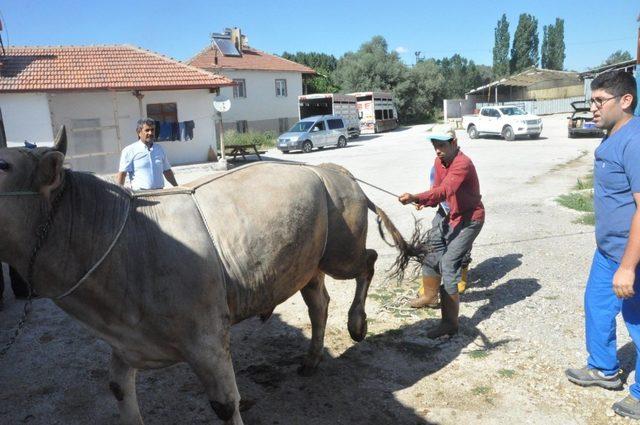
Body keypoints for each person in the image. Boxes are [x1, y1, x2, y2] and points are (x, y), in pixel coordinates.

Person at [565, 70, 640, 420]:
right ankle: (604, 369)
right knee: (596, 305)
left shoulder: (635, 140)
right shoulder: (613, 136)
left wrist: (628, 265)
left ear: (625, 101)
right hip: (609, 251)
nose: (592, 108)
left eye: (599, 101)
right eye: (590, 101)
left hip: (632, 256)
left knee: (637, 320)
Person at [398, 123, 484, 338]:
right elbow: (437, 191)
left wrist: (417, 197)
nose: (437, 150)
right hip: (446, 214)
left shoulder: (462, 164)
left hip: (468, 219)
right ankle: (429, 296)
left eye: (442, 145)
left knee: (449, 263)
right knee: (431, 251)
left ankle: (450, 323)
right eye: (435, 145)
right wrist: (424, 202)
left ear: (453, 143)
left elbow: (446, 190)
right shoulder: (439, 161)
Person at [116, 118, 178, 190]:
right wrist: (119, 193)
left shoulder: (159, 149)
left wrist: (177, 187)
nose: (150, 133)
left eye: (152, 130)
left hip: (160, 192)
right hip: (140, 195)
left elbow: (167, 171)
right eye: (147, 130)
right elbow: (122, 174)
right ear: (139, 132)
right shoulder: (129, 150)